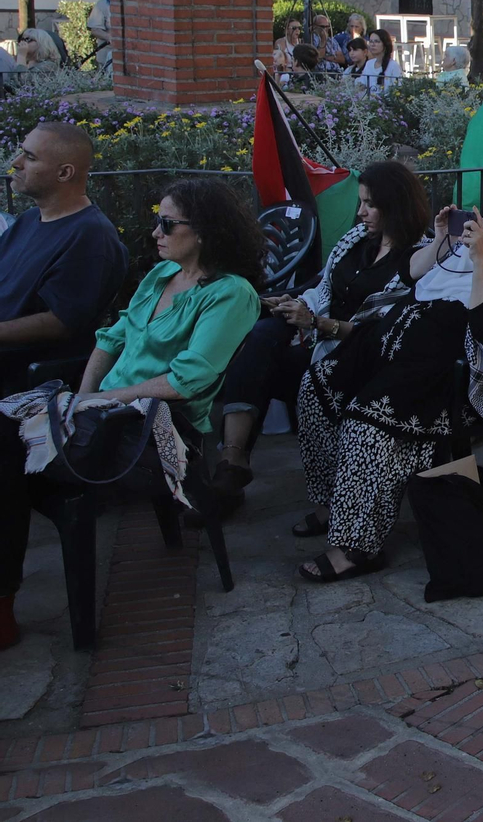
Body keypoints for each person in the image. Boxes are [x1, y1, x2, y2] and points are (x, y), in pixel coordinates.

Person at [0, 179, 262, 650]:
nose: (155, 232)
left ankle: (3, 601)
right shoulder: (161, 275)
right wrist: (82, 400)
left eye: (167, 223)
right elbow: (111, 338)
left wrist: (103, 401)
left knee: (5, 453)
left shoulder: (230, 294)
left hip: (158, 434)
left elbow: (186, 381)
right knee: (4, 448)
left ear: (203, 231)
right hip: (105, 417)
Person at [294, 176, 483, 582]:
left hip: (460, 374)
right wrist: (443, 241)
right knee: (315, 388)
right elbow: (411, 282)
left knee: (368, 423)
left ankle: (355, 547)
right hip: (399, 349)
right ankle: (332, 503)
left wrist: (479, 260)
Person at [210, 161, 430, 516]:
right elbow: (323, 285)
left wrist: (317, 322)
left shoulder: (418, 258)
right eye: (360, 202)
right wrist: (296, 303)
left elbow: (383, 332)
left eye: (370, 204)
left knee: (269, 368)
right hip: (323, 346)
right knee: (262, 338)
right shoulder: (357, 240)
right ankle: (232, 462)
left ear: (396, 206)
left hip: (363, 360)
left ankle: (244, 477)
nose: (360, 213)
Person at [0, 122, 128, 393]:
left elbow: (61, 322)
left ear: (64, 173)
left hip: (23, 378)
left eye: (30, 157)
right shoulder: (28, 220)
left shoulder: (91, 236)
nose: (16, 163)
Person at [357, 29, 402, 93]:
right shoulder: (369, 64)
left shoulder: (393, 65)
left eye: (377, 41)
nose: (373, 44)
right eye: (371, 41)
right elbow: (362, 84)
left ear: (385, 44)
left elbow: (399, 89)